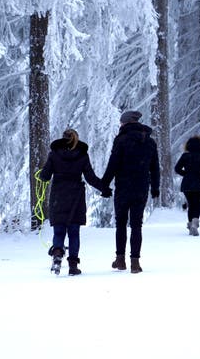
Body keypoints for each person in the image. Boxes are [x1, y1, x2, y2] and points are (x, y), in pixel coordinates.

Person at [39, 129, 111, 276]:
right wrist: (104, 189)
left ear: (63, 138)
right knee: (73, 233)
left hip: (58, 195)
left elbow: (45, 176)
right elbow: (90, 177)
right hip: (76, 196)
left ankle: (57, 254)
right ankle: (73, 266)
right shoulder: (82, 155)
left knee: (59, 231)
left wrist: (43, 172)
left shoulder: (54, 154)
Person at [102, 110, 160, 273]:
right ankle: (135, 263)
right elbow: (155, 167)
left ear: (126, 123)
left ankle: (120, 260)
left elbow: (113, 164)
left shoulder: (121, 140)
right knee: (136, 225)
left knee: (120, 223)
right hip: (141, 187)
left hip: (123, 187)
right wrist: (155, 187)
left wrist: (104, 184)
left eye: (121, 122)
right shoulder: (149, 142)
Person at [174, 136, 200, 236]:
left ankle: (190, 225)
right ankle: (194, 223)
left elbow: (177, 168)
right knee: (197, 204)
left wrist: (186, 174)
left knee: (190, 205)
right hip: (198, 183)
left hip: (187, 183)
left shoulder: (185, 156)